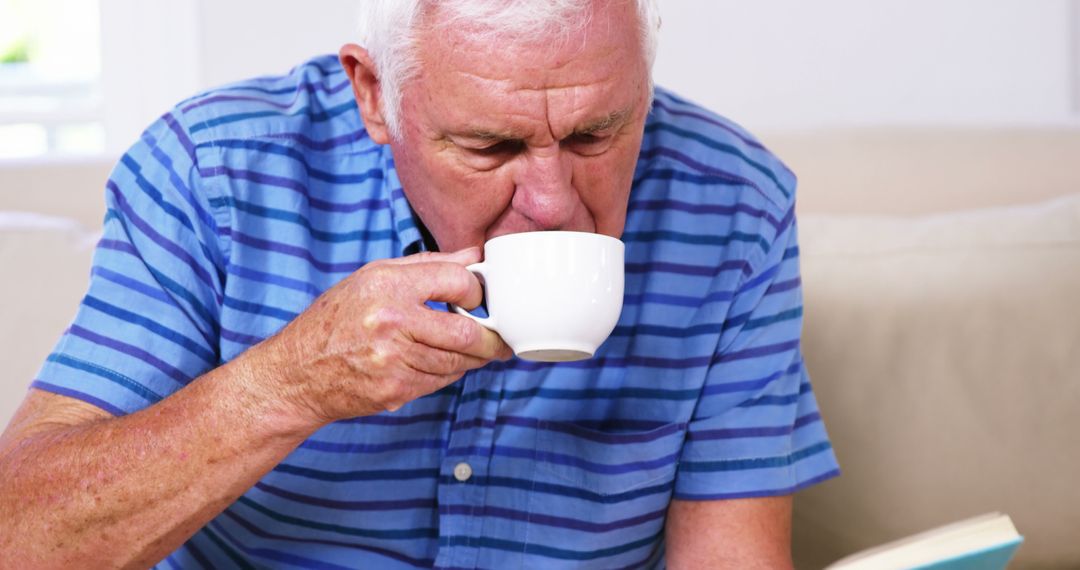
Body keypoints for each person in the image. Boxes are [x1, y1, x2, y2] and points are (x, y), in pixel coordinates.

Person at [0, 0, 839, 568]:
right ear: (375, 95)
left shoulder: (734, 203)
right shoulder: (214, 173)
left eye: (595, 133)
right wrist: (288, 385)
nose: (552, 203)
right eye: (491, 147)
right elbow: (20, 539)